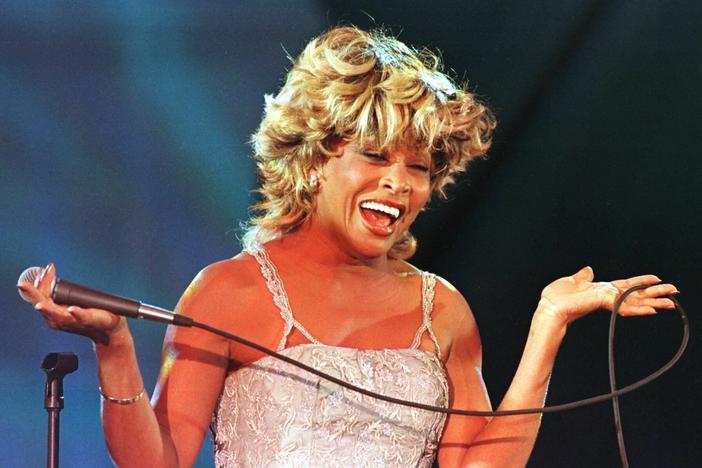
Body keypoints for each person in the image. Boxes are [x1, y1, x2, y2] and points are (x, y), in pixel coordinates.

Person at [18, 26, 678, 467]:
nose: (399, 183)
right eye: (374, 156)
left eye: (419, 167)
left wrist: (548, 326)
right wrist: (113, 348)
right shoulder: (225, 294)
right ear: (314, 161)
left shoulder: (441, 311)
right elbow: (156, 461)